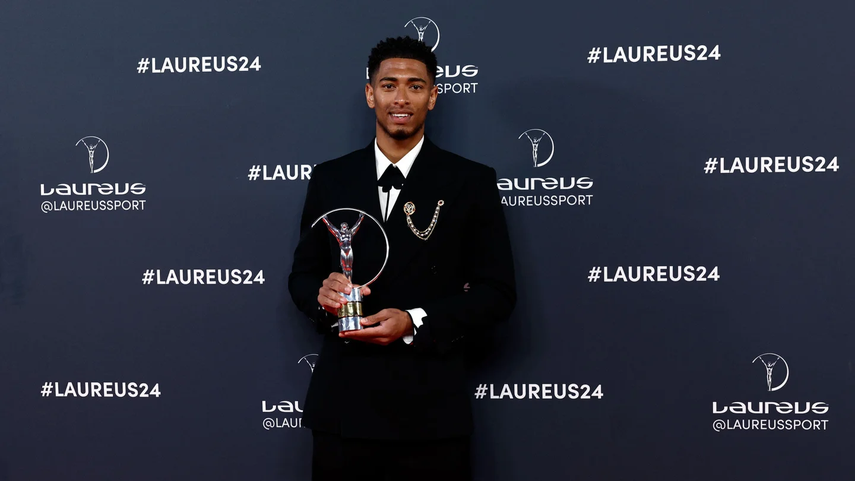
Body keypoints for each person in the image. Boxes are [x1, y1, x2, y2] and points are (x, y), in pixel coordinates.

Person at [288, 36, 516, 481]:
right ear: (371, 93)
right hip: (343, 408)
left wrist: (414, 320)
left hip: (430, 410)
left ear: (433, 96)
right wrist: (324, 296)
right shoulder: (331, 177)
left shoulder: (470, 180)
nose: (401, 98)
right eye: (389, 84)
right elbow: (302, 275)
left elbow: (498, 294)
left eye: (415, 86)